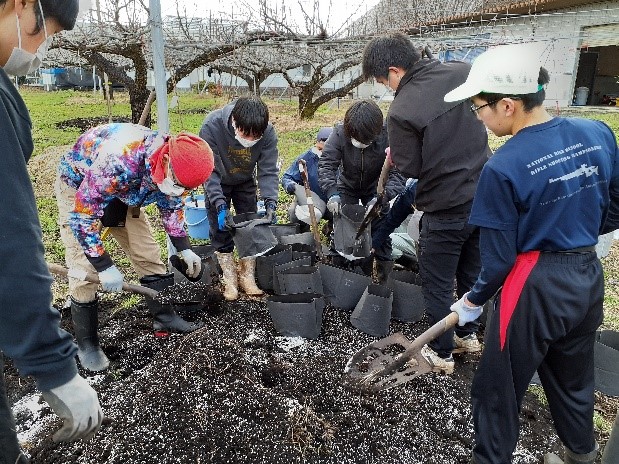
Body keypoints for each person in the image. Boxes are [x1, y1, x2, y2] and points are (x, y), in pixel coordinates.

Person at [442, 45, 619, 464]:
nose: (478, 116)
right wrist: (574, 228)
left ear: (508, 105)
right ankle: (581, 454)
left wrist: (472, 301)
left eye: (478, 107)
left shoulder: (502, 167)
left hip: (532, 284)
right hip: (586, 276)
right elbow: (617, 205)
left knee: (496, 388)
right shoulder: (597, 133)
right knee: (572, 377)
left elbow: (500, 262)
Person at [0, 0, 102, 461]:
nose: (42, 50)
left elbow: (167, 210)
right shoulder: (114, 162)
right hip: (82, 192)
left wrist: (179, 246)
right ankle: (87, 334)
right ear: (24, 5)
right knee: (86, 264)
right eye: (50, 34)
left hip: (117, 198)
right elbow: (13, 240)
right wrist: (52, 364)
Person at [362, 33, 492, 373]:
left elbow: (411, 167)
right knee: (471, 273)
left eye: (383, 81)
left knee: (436, 282)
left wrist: (399, 152)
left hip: (445, 205)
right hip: (484, 196)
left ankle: (441, 354)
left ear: (394, 69)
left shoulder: (402, 109)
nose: (387, 89)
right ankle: (467, 334)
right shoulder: (462, 71)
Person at [56, 123, 214, 372]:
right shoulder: (119, 160)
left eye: (187, 188)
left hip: (129, 190)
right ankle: (87, 345)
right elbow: (83, 218)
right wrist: (104, 265)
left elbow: (171, 203)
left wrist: (183, 246)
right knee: (84, 266)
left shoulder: (177, 169)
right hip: (80, 187)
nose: (181, 191)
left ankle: (165, 318)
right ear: (164, 160)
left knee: (147, 252)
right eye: (179, 184)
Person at [200, 96, 279, 300]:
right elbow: (209, 171)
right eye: (246, 135)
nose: (250, 141)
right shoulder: (212, 126)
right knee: (220, 230)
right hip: (218, 180)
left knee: (249, 226)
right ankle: (230, 279)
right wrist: (219, 204)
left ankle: (247, 277)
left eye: (256, 137)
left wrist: (270, 201)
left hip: (244, 181)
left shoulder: (268, 132)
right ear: (235, 121)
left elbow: (268, 170)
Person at [318, 99, 406, 284]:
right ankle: (340, 271)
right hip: (347, 185)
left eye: (364, 140)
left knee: (381, 226)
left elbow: (399, 172)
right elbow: (327, 164)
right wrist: (332, 193)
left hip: (377, 187)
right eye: (355, 139)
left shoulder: (389, 135)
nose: (359, 143)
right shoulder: (340, 132)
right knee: (343, 224)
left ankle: (383, 276)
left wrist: (383, 197)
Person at [281, 126, 332, 234]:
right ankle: (303, 234)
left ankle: (331, 228)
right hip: (311, 201)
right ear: (316, 143)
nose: (323, 153)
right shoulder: (305, 159)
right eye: (320, 149)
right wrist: (291, 185)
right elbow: (287, 177)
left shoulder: (339, 159)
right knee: (294, 213)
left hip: (332, 201)